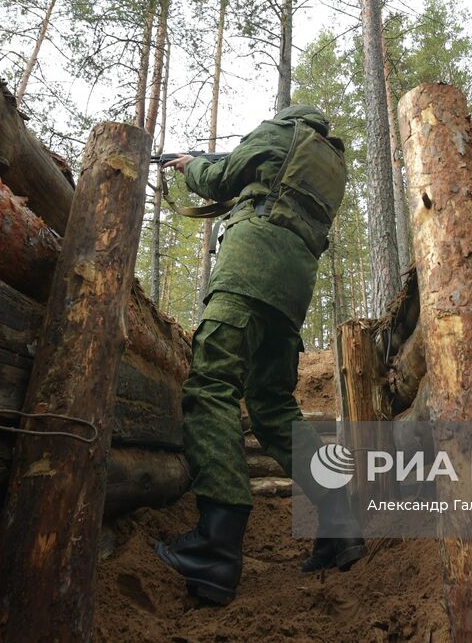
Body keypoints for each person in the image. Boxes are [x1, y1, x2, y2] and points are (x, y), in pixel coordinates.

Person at [154, 104, 364, 605]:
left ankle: (216, 545)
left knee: (211, 386)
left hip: (250, 270)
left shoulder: (279, 132)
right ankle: (340, 523)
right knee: (271, 407)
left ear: (289, 118)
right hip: (293, 289)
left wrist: (190, 167)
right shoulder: (329, 161)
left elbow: (221, 177)